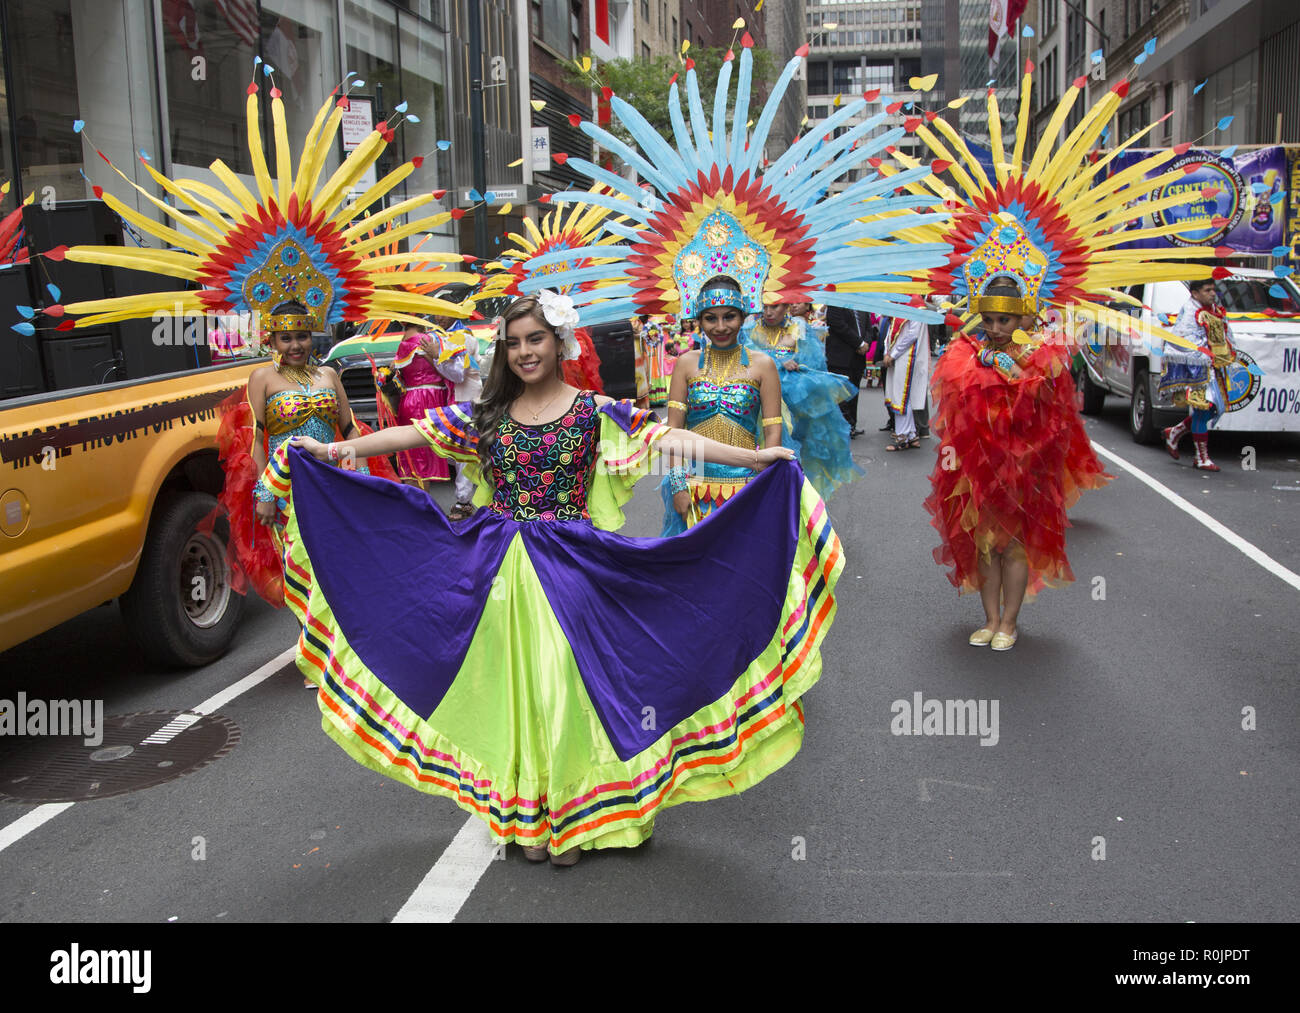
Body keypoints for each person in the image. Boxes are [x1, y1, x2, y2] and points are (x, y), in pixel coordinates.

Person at [268, 293, 835, 865]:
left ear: (559, 342)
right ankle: (526, 816)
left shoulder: (594, 410)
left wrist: (754, 461)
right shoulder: (486, 414)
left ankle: (574, 818)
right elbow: (412, 434)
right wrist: (336, 448)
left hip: (572, 569)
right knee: (518, 695)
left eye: (534, 339)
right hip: (498, 572)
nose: (523, 352)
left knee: (564, 691)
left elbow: (669, 440)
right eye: (512, 343)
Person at [925, 274, 1111, 651]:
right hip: (975, 470)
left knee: (1013, 545)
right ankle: (990, 620)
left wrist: (1014, 375)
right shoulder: (967, 351)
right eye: (989, 319)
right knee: (983, 543)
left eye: (1004, 320)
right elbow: (954, 410)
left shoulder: (1044, 355)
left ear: (1025, 317)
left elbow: (1053, 414)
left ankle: (1009, 622)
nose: (994, 329)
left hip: (1025, 468)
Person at [661, 277, 784, 536]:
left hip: (747, 486)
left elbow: (773, 433)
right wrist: (678, 486)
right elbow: (672, 431)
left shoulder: (763, 365)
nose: (720, 327)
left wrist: (763, 486)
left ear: (742, 316)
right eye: (710, 318)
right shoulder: (686, 363)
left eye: (729, 317)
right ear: (699, 320)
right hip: (695, 487)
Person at [741, 300, 862, 498]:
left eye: (775, 307)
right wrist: (777, 361)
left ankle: (789, 495)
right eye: (765, 307)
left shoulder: (799, 327)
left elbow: (813, 362)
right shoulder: (749, 328)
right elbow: (744, 355)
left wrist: (793, 363)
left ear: (787, 306)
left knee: (790, 449)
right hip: (757, 394)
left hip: (792, 398)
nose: (769, 312)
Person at [1160, 278, 1235, 471]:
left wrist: (1227, 353)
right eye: (1207, 290)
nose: (1212, 293)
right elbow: (1182, 341)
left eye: (1213, 289)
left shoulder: (1214, 309)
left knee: (1214, 408)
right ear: (1195, 293)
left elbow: (1225, 334)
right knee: (1204, 409)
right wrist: (1203, 355)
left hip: (1213, 367)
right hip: (1198, 368)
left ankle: (1175, 432)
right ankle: (1201, 458)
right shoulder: (1190, 311)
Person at [882, 312, 932, 452]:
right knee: (904, 397)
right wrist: (888, 352)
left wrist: (892, 354)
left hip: (907, 357)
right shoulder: (903, 304)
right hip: (900, 357)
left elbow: (912, 334)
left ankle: (902, 437)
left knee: (901, 397)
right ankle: (910, 434)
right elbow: (891, 330)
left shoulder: (915, 306)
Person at [824, 306, 873, 437]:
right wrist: (859, 344)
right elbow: (837, 324)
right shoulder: (836, 301)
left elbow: (869, 327)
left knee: (854, 392)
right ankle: (843, 426)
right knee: (841, 396)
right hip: (840, 357)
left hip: (858, 358)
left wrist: (865, 343)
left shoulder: (860, 304)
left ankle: (852, 425)